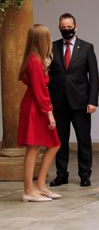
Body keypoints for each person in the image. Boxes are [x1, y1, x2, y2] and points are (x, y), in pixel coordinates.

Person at [48, 13, 99, 187]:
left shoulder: (86, 47)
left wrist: (93, 101)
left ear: (76, 27)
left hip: (81, 102)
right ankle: (61, 174)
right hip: (59, 102)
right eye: (63, 27)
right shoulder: (52, 47)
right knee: (60, 140)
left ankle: (85, 174)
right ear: (59, 27)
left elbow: (94, 76)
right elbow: (47, 76)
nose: (67, 30)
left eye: (69, 27)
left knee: (83, 139)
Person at [18, 24, 61, 202]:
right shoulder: (35, 61)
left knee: (53, 144)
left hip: (36, 106)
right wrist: (49, 113)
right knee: (34, 147)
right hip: (35, 108)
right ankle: (29, 190)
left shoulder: (35, 59)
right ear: (42, 40)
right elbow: (39, 90)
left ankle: (41, 185)